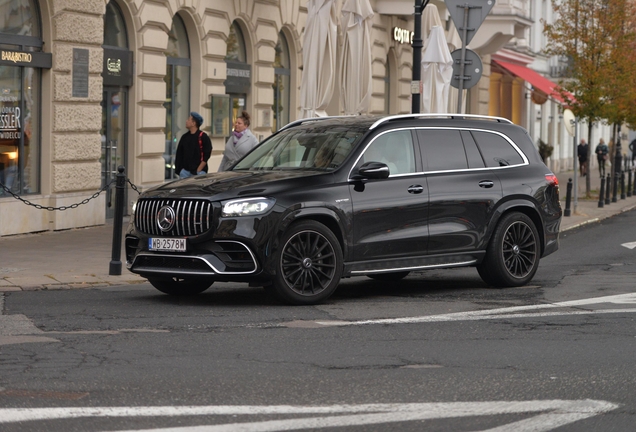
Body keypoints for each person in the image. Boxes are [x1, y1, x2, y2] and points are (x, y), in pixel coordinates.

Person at [174, 111, 212, 179]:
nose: (186, 121)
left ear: (193, 123)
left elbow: (207, 154)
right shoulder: (184, 137)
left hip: (199, 173)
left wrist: (199, 170)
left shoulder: (203, 137)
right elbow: (179, 154)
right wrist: (180, 170)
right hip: (184, 173)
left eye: (189, 119)